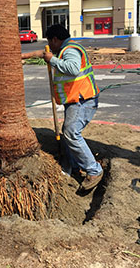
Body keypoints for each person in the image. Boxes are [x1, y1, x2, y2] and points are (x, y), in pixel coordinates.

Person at [22, 24, 103, 191]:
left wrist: (52, 59)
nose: (50, 46)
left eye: (49, 43)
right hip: (76, 100)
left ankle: (94, 170)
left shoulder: (70, 50)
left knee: (71, 133)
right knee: (68, 133)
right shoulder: (66, 48)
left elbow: (73, 69)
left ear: (55, 39)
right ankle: (71, 165)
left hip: (82, 99)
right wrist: (28, 56)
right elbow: (48, 56)